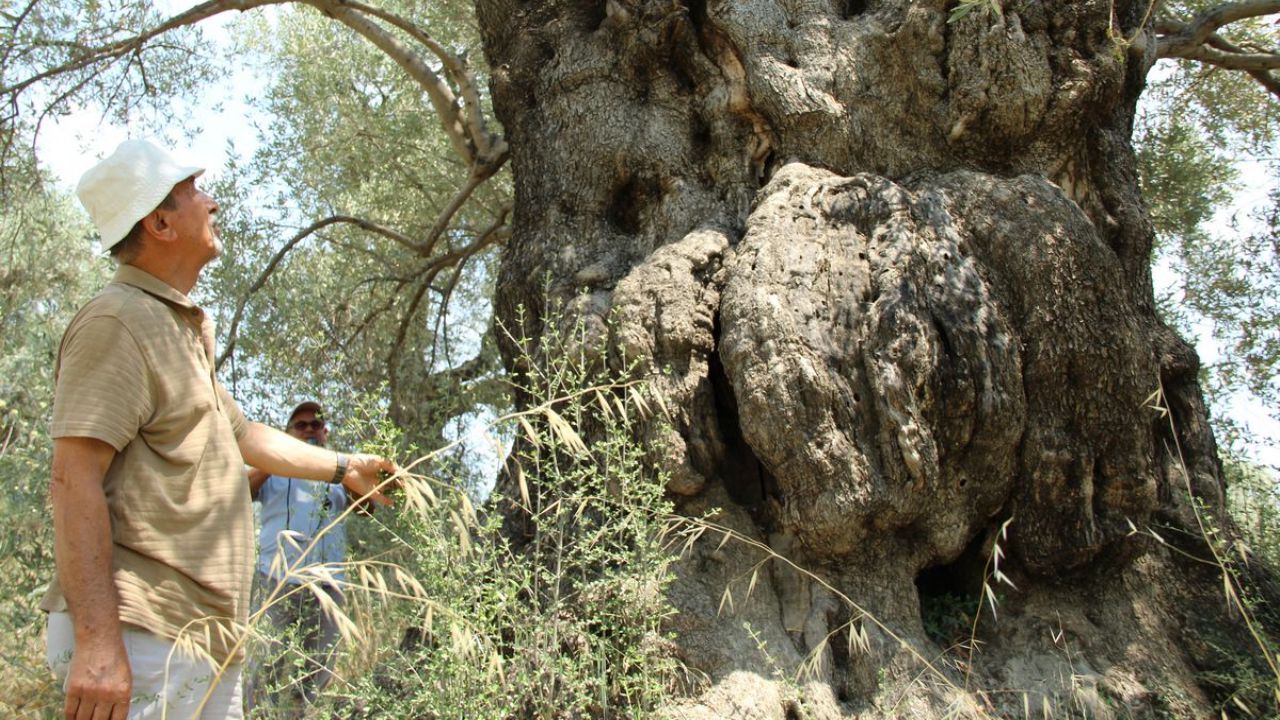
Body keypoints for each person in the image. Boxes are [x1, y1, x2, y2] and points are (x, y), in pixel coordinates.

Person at [43, 138, 398, 720]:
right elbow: (72, 479)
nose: (211, 203)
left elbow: (245, 436)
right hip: (140, 633)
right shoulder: (116, 322)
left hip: (194, 635)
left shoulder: (174, 327)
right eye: (193, 192)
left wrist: (344, 466)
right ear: (159, 222)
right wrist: (100, 643)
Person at [245, 400, 354, 715]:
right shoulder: (273, 474)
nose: (308, 430)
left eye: (315, 425)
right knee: (265, 664)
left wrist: (342, 467)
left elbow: (365, 507)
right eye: (300, 425)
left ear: (325, 432)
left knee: (316, 671)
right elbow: (240, 490)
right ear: (288, 431)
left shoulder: (337, 474)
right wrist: (279, 456)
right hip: (276, 580)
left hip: (328, 587)